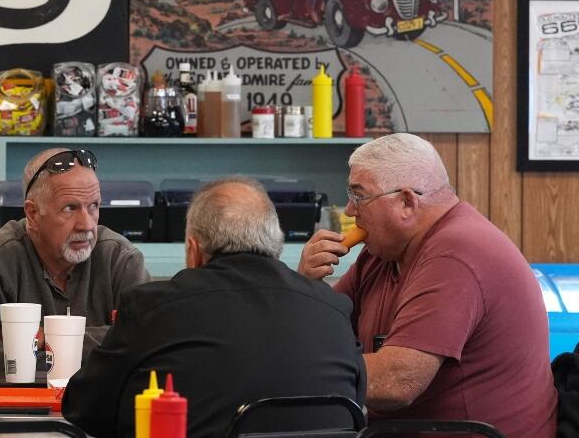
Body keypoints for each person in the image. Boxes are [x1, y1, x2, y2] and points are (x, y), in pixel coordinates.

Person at [298, 133, 557, 438]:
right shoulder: (381, 255)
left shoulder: (456, 254)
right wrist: (305, 287)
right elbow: (323, 331)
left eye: (359, 196)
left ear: (407, 202)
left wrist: (291, 371)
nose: (351, 211)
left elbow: (397, 382)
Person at [63, 178, 365, 438]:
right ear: (277, 245)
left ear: (194, 251)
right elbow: (356, 402)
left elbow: (85, 410)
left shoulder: (152, 306)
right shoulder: (334, 309)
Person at [0, 147, 150, 380]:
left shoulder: (119, 259)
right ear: (33, 214)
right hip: (19, 414)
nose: (87, 225)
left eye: (93, 206)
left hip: (101, 413)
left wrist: (47, 338)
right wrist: (108, 343)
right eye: (70, 208)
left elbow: (149, 340)